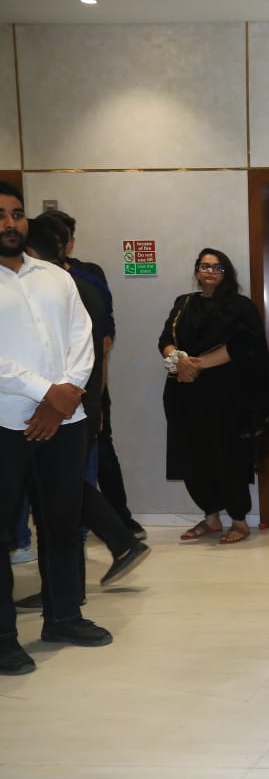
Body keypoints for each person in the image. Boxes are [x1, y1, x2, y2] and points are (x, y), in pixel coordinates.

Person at [0, 181, 111, 677]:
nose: (10, 223)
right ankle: (3, 639)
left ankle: (63, 617)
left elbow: (82, 336)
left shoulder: (55, 277)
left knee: (63, 522)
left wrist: (66, 394)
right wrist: (47, 391)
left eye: (17, 213)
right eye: (0, 215)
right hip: (6, 420)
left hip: (66, 419)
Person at [18, 217, 149, 598]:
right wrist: (96, 402)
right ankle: (75, 579)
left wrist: (59, 402)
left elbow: (70, 354)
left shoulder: (54, 290)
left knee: (56, 495)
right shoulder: (85, 286)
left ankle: (75, 581)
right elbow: (101, 350)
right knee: (60, 491)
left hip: (54, 406)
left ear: (30, 250)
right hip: (80, 401)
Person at [158, 247, 269, 545]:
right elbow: (165, 339)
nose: (210, 271)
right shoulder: (184, 304)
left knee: (228, 457)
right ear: (196, 271)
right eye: (204, 266)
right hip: (184, 394)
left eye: (217, 267)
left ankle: (239, 521)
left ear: (227, 273)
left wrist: (197, 365)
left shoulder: (240, 307)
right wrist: (180, 361)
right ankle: (210, 517)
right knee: (192, 458)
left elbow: (243, 347)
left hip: (227, 398)